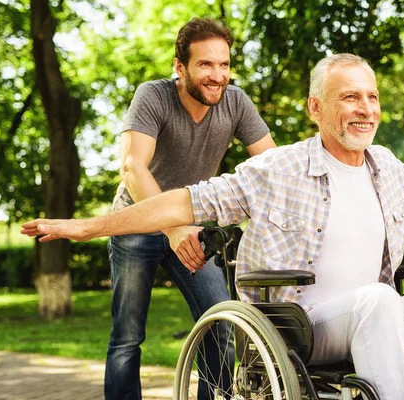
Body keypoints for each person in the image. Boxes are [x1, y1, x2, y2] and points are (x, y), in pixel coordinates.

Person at [22, 53, 404, 399]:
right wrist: (87, 227)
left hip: (377, 316)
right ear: (316, 108)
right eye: (350, 97)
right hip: (304, 325)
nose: (365, 109)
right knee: (379, 300)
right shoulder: (278, 170)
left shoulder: (387, 167)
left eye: (372, 97)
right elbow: (183, 203)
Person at [98, 17, 275, 400]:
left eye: (224, 64)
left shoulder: (236, 103)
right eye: (205, 64)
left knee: (220, 323)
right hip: (137, 224)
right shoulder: (153, 96)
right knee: (127, 337)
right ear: (180, 67)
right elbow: (132, 167)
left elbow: (272, 168)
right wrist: (173, 228)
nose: (218, 75)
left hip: (192, 229)